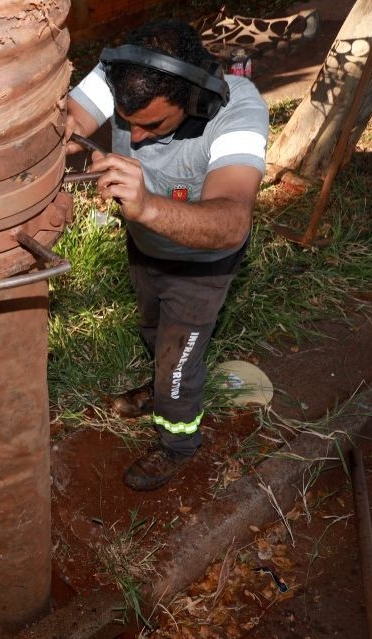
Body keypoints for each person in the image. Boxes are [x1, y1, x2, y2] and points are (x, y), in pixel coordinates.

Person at [66, 20, 268, 490]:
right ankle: (160, 389)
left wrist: (146, 206)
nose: (134, 139)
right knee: (154, 331)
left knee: (179, 363)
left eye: (152, 125)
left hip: (202, 267)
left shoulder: (238, 110)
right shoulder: (122, 72)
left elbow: (232, 220)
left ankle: (178, 442)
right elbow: (68, 119)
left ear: (195, 100)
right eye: (125, 121)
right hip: (146, 248)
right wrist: (64, 134)